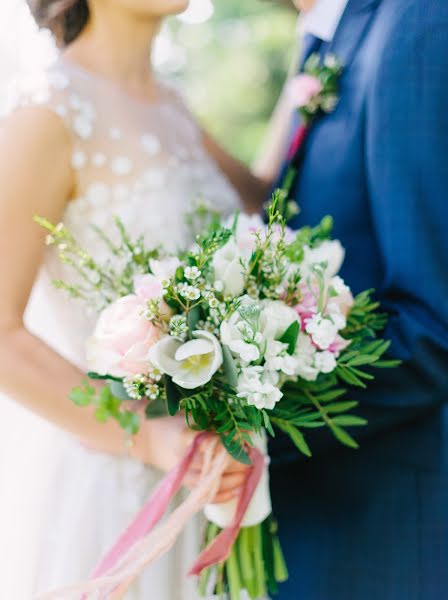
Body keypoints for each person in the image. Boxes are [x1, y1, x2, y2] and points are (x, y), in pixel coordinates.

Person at [0, 1, 269, 597]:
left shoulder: (172, 104)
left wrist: (311, 82)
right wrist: (146, 437)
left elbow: (265, 199)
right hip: (120, 481)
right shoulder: (46, 112)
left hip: (218, 472)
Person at [268, 0, 448, 598]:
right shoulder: (326, 37)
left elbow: (433, 327)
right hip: (314, 521)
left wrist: (253, 421)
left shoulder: (419, 22)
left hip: (387, 532)